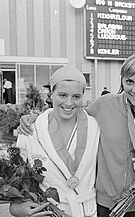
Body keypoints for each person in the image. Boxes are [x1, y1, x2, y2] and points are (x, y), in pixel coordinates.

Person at [17, 53, 135, 217]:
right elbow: (71, 112)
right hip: (106, 206)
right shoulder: (104, 105)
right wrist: (38, 118)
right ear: (122, 80)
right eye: (129, 81)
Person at [10, 65, 100, 217]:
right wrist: (16, 209)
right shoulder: (31, 130)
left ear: (83, 96)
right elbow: (17, 179)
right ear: (51, 94)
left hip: (87, 211)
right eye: (62, 95)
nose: (69, 103)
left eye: (76, 97)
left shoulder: (96, 126)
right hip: (48, 211)